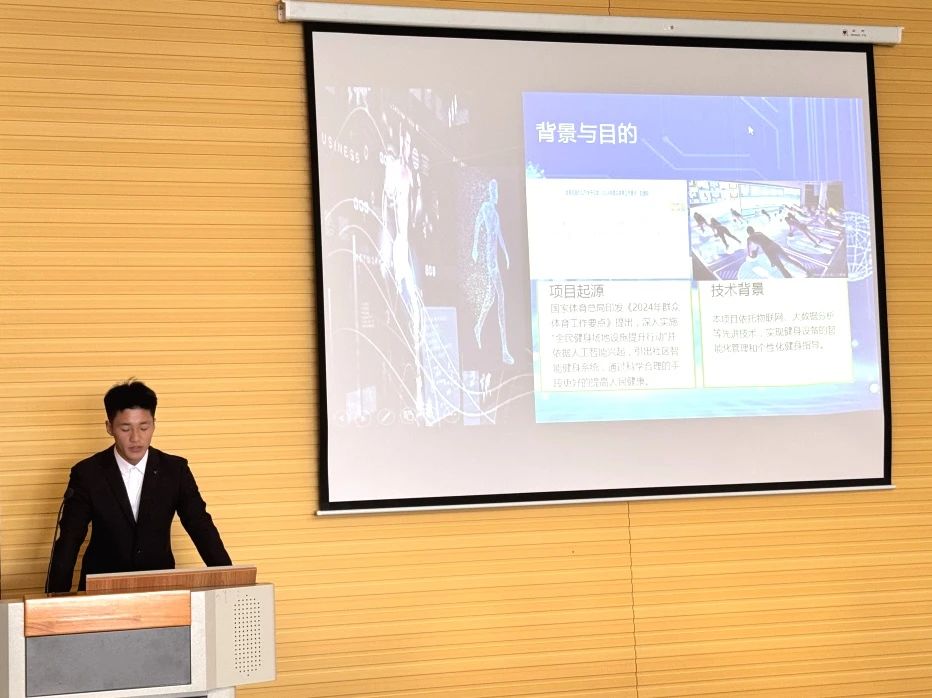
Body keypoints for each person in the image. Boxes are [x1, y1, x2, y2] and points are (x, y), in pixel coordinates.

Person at [45, 381, 231, 593]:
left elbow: (200, 526)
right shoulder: (88, 473)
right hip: (101, 590)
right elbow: (69, 540)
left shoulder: (175, 470)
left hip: (159, 588)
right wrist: (54, 597)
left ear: (154, 424)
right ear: (109, 427)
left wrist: (231, 583)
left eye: (144, 427)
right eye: (125, 428)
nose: (136, 438)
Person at [472, 178, 513, 365]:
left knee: (490, 298)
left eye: (497, 190)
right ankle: (504, 350)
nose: (496, 194)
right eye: (494, 190)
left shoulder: (496, 213)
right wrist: (474, 247)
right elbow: (477, 224)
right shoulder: (486, 208)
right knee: (501, 297)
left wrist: (506, 254)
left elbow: (500, 235)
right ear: (490, 191)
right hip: (490, 259)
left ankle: (478, 327)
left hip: (495, 258)